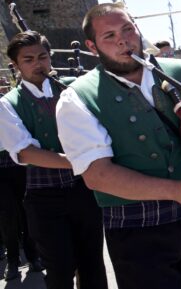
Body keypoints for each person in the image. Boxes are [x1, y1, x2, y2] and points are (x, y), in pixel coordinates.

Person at [56, 3, 181, 289]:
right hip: (137, 231)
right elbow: (97, 175)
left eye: (127, 29)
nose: (122, 40)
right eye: (109, 36)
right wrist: (175, 191)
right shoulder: (77, 98)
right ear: (92, 47)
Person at [0, 31, 107, 288]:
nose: (38, 64)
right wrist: (83, 160)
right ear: (16, 66)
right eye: (28, 59)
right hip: (44, 198)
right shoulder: (8, 103)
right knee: (59, 269)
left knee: (92, 263)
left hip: (85, 189)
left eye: (43, 57)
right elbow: (26, 152)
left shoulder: (72, 87)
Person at [0, 148, 41, 281]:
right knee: (7, 217)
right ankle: (12, 261)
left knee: (27, 212)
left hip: (20, 164)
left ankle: (33, 256)